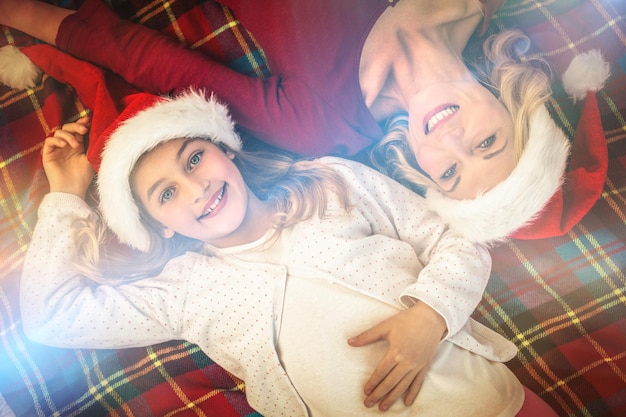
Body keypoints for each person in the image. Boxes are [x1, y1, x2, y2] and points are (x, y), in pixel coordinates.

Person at [21, 89, 559, 417]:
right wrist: (66, 197)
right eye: (165, 194)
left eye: (194, 160)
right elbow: (51, 320)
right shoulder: (184, 291)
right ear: (156, 225)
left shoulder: (329, 182)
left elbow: (457, 236)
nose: (195, 190)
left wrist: (430, 316)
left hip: (488, 406)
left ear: (225, 149)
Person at [0, 0, 608, 244]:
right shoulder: (478, 5)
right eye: (489, 143)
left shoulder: (325, 125)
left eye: (449, 172)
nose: (449, 139)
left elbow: (149, 60)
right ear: (514, 102)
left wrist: (20, 11)